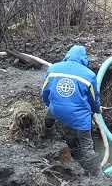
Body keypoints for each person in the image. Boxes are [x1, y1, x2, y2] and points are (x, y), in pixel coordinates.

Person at [41, 45, 102, 176]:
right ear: (84, 59)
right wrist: (96, 110)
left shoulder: (53, 68)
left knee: (49, 118)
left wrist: (49, 104)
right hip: (79, 119)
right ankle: (97, 174)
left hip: (55, 110)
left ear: (67, 55)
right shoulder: (89, 75)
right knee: (86, 145)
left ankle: (47, 134)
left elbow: (45, 92)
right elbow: (93, 99)